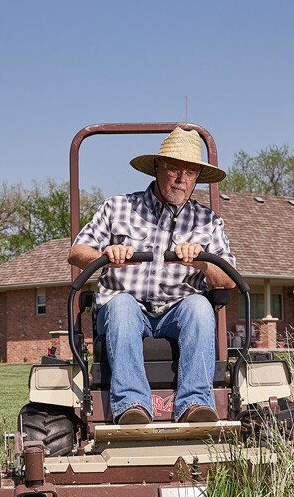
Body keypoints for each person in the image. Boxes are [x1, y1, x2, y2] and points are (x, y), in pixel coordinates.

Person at [68, 127, 237, 424]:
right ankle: (132, 406)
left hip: (178, 312)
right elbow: (77, 252)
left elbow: (227, 280)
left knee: (200, 306)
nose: (182, 179)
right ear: (158, 167)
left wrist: (201, 263)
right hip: (127, 308)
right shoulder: (118, 207)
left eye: (191, 172)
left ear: (197, 177)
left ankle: (195, 404)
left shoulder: (208, 221)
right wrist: (107, 257)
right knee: (120, 305)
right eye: (174, 169)